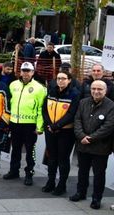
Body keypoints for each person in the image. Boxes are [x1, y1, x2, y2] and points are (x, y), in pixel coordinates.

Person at [70, 80, 114, 210]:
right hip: (83, 145)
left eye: (99, 89)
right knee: (82, 171)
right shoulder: (83, 102)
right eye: (94, 88)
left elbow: (109, 126)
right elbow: (77, 120)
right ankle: (80, 193)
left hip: (100, 147)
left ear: (105, 91)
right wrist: (81, 136)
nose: (96, 91)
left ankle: (96, 198)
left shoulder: (111, 106)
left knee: (99, 174)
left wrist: (91, 138)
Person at [3, 61, 46, 185]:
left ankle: (29, 174)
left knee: (29, 151)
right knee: (15, 149)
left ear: (33, 72)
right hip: (15, 123)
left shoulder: (39, 88)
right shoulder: (13, 85)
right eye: (23, 71)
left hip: (30, 125)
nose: (26, 73)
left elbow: (40, 109)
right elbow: (9, 104)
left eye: (28, 71)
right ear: (20, 72)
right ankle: (14, 171)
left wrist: (39, 126)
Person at [41, 71, 80, 196]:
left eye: (63, 78)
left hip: (66, 132)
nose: (60, 81)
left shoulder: (74, 94)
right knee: (51, 158)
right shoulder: (51, 91)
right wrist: (50, 125)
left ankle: (61, 185)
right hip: (50, 130)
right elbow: (44, 109)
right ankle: (50, 182)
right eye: (58, 78)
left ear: (69, 80)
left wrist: (57, 126)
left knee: (63, 160)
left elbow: (71, 114)